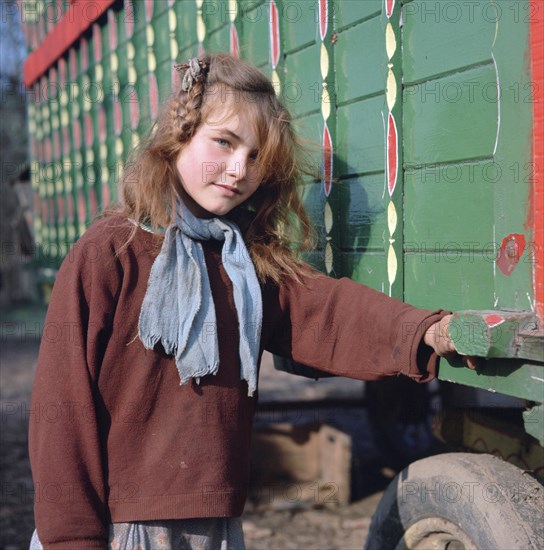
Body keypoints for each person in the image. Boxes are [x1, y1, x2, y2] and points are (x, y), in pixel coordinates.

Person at [29, 53, 475, 550]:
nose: (239, 169)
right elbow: (62, 407)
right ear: (179, 136)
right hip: (124, 528)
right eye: (224, 142)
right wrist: (71, 539)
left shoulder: (242, 262)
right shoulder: (110, 251)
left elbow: (327, 311)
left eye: (257, 156)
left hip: (217, 523)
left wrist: (425, 331)